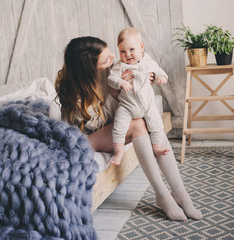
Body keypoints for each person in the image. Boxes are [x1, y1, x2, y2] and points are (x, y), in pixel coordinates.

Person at [55, 36, 203, 221]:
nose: (112, 58)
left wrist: (140, 82)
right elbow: (97, 122)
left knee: (151, 121)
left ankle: (180, 193)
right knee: (137, 124)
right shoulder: (75, 92)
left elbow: (141, 69)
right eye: (106, 58)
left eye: (110, 52)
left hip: (106, 123)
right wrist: (116, 93)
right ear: (90, 68)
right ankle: (162, 195)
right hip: (86, 137)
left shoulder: (113, 68)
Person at [108, 27, 170, 165]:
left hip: (147, 105)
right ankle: (118, 152)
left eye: (131, 49)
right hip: (127, 106)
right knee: (119, 127)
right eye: (122, 51)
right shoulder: (120, 66)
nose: (127, 54)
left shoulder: (148, 62)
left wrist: (161, 77)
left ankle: (157, 147)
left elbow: (160, 71)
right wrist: (120, 82)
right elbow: (111, 78)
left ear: (141, 47)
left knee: (157, 125)